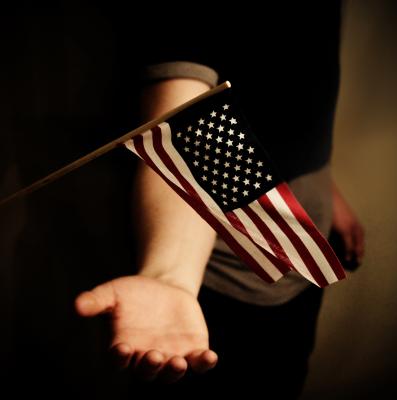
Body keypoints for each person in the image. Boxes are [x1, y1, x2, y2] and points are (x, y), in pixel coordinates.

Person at [2, 1, 364, 398]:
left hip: (299, 219)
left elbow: (285, 83)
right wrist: (170, 274)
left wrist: (322, 184)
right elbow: (184, 116)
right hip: (219, 274)